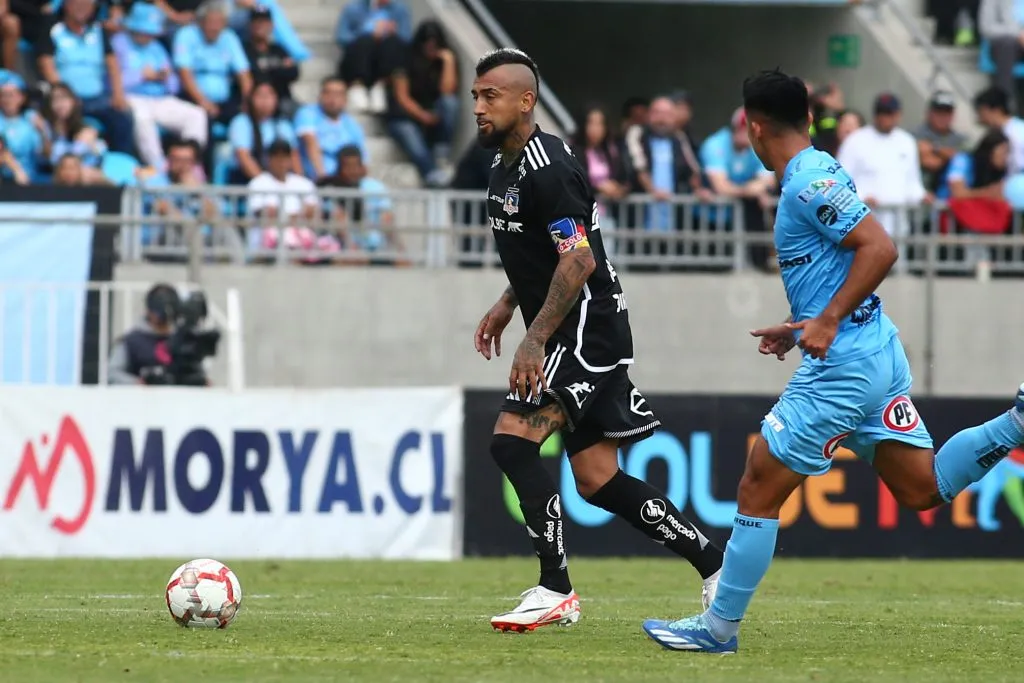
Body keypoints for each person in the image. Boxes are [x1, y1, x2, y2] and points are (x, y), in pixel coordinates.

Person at [642, 68, 1024, 654]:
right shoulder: (820, 167)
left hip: (844, 367)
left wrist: (824, 321)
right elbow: (841, 268)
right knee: (923, 489)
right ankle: (1019, 422)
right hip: (873, 351)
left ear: (754, 125)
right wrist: (803, 327)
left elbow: (881, 246)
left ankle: (719, 628)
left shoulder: (804, 182)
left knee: (756, 488)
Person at [471, 48, 723, 633]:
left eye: (490, 96)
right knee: (597, 480)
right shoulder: (503, 167)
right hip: (567, 325)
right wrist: (508, 303)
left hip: (583, 332)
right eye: (476, 97)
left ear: (524, 101)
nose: (478, 108)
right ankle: (715, 564)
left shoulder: (548, 169)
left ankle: (555, 589)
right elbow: (544, 254)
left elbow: (579, 260)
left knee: (512, 442)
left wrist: (533, 340)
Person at [113, 1, 208, 171]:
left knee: (196, 114)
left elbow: (174, 85)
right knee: (142, 117)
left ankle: (190, 165)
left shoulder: (156, 47)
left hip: (160, 98)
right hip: (132, 97)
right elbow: (113, 82)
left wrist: (164, 78)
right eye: (144, 31)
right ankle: (159, 167)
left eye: (151, 32)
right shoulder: (118, 43)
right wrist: (142, 76)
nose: (148, 35)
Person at [36, 0, 134, 155]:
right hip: (68, 99)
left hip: (97, 97)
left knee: (123, 117)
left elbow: (112, 63)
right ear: (67, 5)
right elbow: (46, 64)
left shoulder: (98, 30)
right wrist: (66, 97)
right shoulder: (53, 29)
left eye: (87, 5)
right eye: (77, 4)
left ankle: (121, 163)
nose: (82, 9)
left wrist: (118, 94)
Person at [384, 19, 458, 186]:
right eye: (427, 44)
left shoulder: (443, 61)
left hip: (433, 114)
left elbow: (447, 92)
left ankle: (441, 153)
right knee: (409, 134)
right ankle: (431, 173)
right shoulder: (405, 57)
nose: (431, 48)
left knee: (450, 103)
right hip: (404, 115)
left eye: (435, 44)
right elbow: (401, 96)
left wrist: (448, 61)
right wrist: (422, 115)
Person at [227, 79, 300, 184]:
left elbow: (293, 157)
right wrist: (264, 185)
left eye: (269, 96)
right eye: (260, 96)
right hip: (249, 183)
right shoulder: (241, 122)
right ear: (251, 99)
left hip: (280, 183)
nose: (264, 100)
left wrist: (298, 182)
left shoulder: (283, 125)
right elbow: (243, 157)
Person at [243, 5, 299, 117]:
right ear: (250, 25)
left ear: (271, 25)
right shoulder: (244, 49)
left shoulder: (278, 49)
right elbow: (254, 75)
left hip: (281, 99)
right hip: (255, 102)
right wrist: (279, 67)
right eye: (256, 22)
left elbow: (294, 73)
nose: (260, 26)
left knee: (299, 111)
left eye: (264, 22)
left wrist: (266, 69)